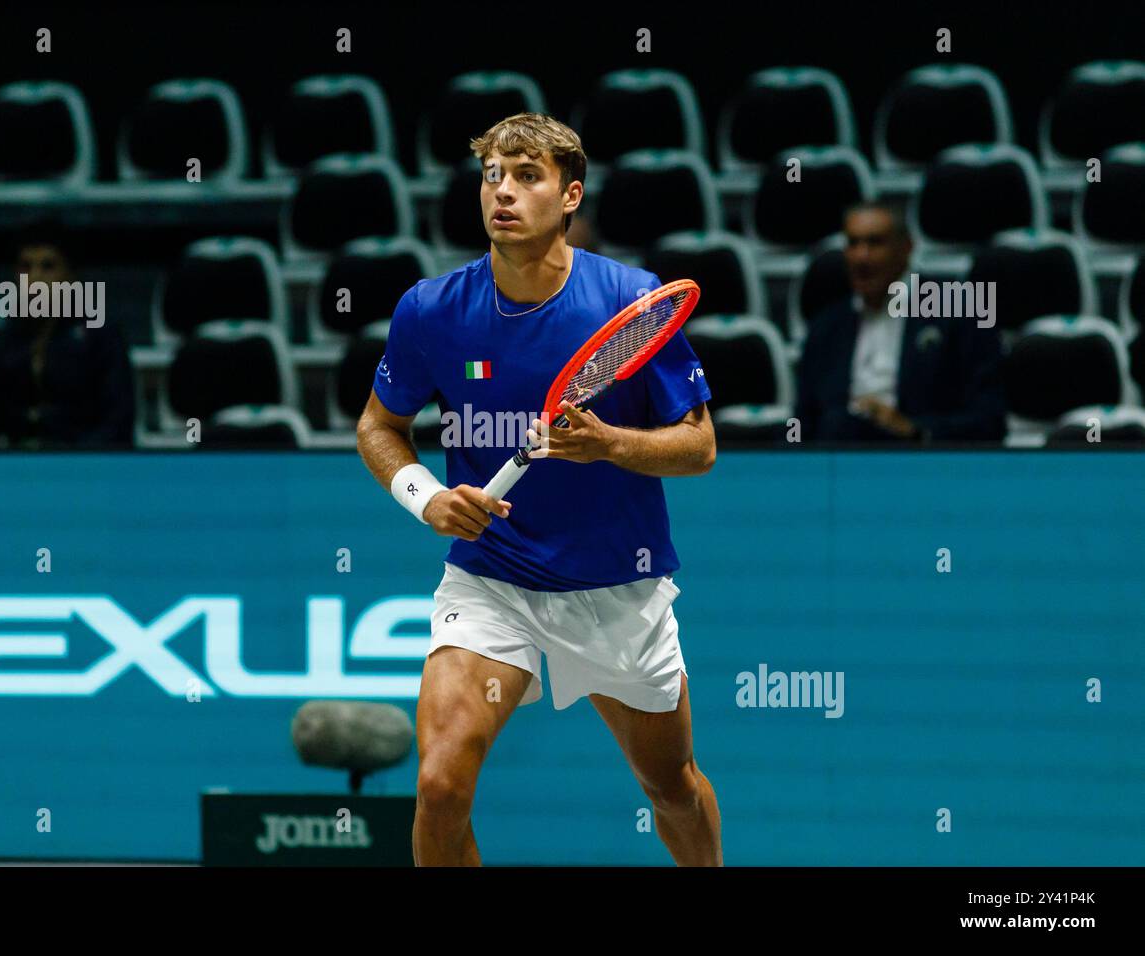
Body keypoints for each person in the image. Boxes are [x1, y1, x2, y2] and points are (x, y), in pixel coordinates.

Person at [356, 113, 722, 866]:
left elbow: (700, 447)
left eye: (528, 177)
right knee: (440, 786)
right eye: (493, 174)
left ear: (570, 196)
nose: (504, 192)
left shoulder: (628, 301)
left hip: (617, 586)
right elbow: (378, 426)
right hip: (494, 579)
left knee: (671, 786)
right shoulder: (431, 310)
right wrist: (426, 497)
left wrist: (610, 444)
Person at [794, 201, 1006, 442]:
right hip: (838, 462)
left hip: (922, 463)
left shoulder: (958, 309)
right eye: (853, 243)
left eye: (874, 243)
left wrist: (913, 430)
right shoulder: (826, 327)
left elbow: (990, 421)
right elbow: (803, 421)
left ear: (906, 247)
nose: (861, 257)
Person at [0, 225, 135, 449]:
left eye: (48, 266)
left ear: (71, 275)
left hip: (83, 466)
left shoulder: (102, 338)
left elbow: (118, 422)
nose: (35, 278)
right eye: (26, 267)